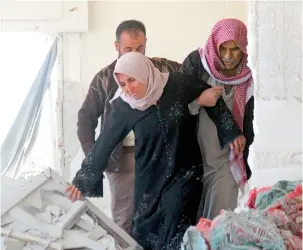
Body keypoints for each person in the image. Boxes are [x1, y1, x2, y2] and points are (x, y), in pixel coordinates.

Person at [67, 52, 245, 249]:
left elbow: (212, 98)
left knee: (176, 224)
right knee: (144, 229)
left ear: (143, 73)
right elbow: (104, 144)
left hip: (185, 172)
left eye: (132, 80)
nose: (129, 89)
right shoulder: (123, 106)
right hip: (150, 176)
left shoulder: (177, 84)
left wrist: (231, 132)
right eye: (123, 84)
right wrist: (82, 180)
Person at [76, 20, 180, 233]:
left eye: (140, 48)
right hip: (120, 158)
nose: (135, 53)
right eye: (128, 49)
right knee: (124, 218)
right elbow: (86, 118)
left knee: (160, 214)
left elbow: (191, 77)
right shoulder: (104, 78)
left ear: (146, 43)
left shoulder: (162, 68)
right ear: (117, 47)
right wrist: (95, 156)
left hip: (158, 154)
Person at [180, 18, 254, 220]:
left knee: (220, 218)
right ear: (214, 45)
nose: (228, 57)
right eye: (223, 49)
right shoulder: (198, 63)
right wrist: (200, 99)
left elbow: (251, 123)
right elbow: (176, 99)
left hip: (229, 160)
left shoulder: (250, 72)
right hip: (196, 157)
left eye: (235, 50)